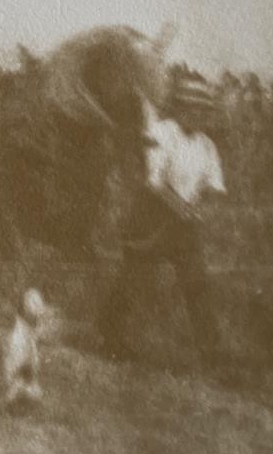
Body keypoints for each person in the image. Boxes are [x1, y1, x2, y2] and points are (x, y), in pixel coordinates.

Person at [97, 70, 228, 366]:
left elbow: (213, 185)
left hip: (184, 226)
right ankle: (109, 335)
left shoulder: (207, 145)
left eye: (203, 110)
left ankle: (212, 352)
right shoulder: (161, 132)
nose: (198, 115)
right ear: (179, 107)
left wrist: (197, 205)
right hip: (151, 219)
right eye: (192, 109)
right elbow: (154, 181)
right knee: (134, 280)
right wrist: (180, 205)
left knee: (196, 284)